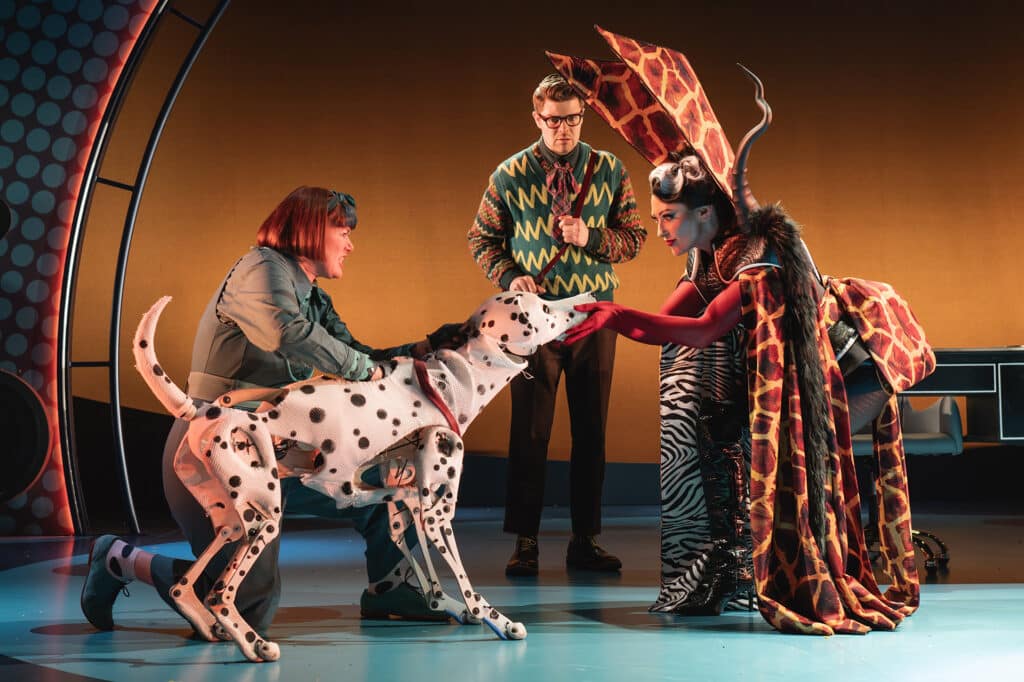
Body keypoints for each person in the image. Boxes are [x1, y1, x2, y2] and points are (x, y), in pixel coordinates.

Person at [550, 27, 932, 634]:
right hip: (800, 377)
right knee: (735, 445)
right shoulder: (708, 253)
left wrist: (617, 317)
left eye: (668, 218)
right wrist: (601, 313)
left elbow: (703, 330)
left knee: (800, 468)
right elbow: (672, 323)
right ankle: (731, 570)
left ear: (705, 213)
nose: (660, 230)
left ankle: (799, 572)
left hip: (856, 368)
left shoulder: (758, 255)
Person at [82, 186, 465, 637]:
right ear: (312, 229)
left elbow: (358, 356)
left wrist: (424, 348)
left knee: (383, 486)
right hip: (213, 449)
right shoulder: (260, 268)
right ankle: (117, 559)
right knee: (244, 608)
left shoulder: (313, 297)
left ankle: (391, 588)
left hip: (279, 447)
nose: (350, 244)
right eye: (343, 231)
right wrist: (364, 368)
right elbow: (287, 333)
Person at [467, 73, 647, 577]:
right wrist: (511, 276)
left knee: (592, 428)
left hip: (593, 314)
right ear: (536, 117)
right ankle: (525, 542)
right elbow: (481, 239)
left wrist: (591, 237)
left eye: (571, 119)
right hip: (533, 317)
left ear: (582, 116)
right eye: (553, 120)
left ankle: (586, 539)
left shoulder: (608, 169)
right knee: (530, 429)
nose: (563, 129)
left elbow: (634, 239)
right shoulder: (510, 174)